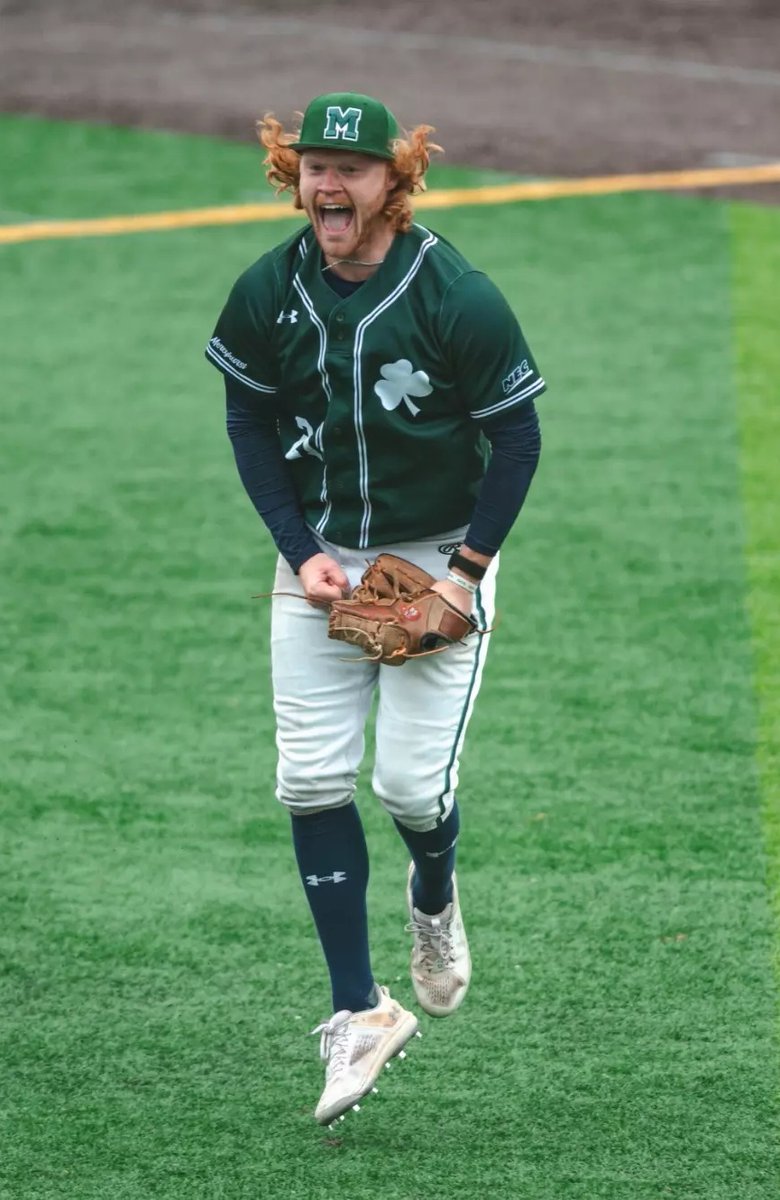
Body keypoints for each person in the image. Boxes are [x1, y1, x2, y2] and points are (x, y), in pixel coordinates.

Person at [205, 92, 545, 1127]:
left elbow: (518, 440)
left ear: (394, 181)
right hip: (320, 569)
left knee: (406, 787)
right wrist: (299, 552)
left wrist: (464, 573)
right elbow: (247, 416)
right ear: (291, 174)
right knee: (307, 778)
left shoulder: (458, 296)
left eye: (349, 168)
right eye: (313, 166)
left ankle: (433, 896)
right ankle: (359, 1009)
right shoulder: (268, 289)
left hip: (437, 559)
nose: (327, 184)